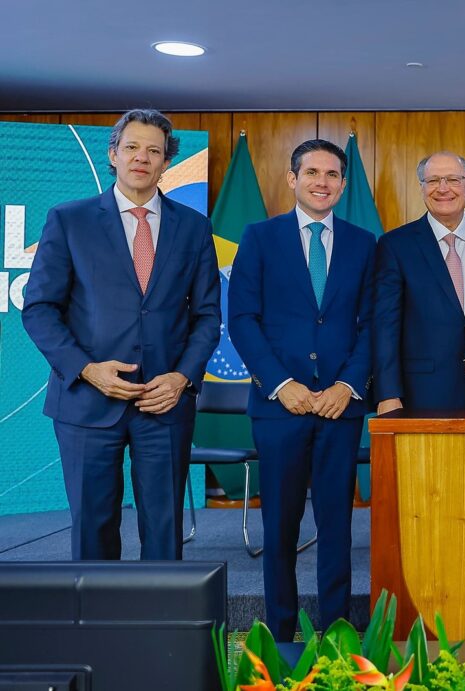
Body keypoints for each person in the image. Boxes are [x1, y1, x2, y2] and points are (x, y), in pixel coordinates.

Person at [22, 109, 221, 561]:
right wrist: (86, 369)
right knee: (92, 531)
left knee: (164, 532)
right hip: (86, 402)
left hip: (164, 403)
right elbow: (39, 309)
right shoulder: (69, 220)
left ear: (166, 162)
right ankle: (96, 612)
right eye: (131, 147)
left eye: (153, 150)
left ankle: (162, 610)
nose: (141, 158)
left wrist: (181, 378)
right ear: (113, 155)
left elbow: (208, 316)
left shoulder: (194, 228)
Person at [228, 139, 376, 640]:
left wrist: (348, 385)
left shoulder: (363, 243)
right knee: (280, 528)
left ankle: (337, 634)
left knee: (337, 528)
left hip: (340, 408)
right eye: (311, 172)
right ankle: (281, 636)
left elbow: (372, 324)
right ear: (292, 179)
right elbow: (242, 319)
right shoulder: (259, 237)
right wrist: (281, 384)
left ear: (343, 184)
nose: (321, 182)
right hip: (279, 409)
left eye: (332, 174)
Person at [373, 152, 465, 412]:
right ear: (422, 188)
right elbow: (385, 324)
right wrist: (388, 393)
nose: (443, 188)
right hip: (421, 392)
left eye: (453, 179)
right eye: (433, 180)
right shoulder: (395, 245)